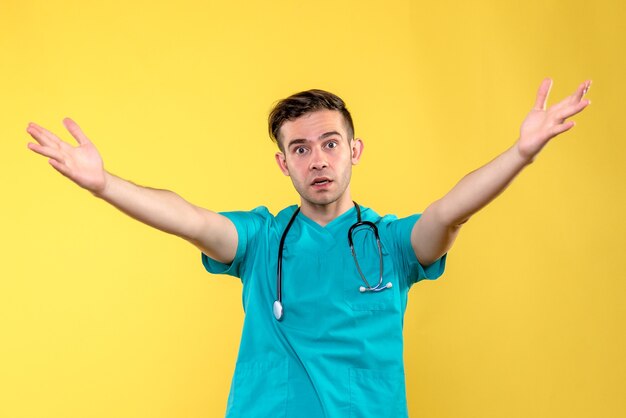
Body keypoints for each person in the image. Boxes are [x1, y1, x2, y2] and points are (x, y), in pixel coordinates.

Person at [26, 78, 591, 417]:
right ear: (283, 162)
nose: (317, 158)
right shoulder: (260, 241)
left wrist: (520, 154)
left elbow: (450, 210)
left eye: (329, 143)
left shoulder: (392, 244)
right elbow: (189, 218)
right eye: (299, 148)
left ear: (354, 149)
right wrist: (105, 185)